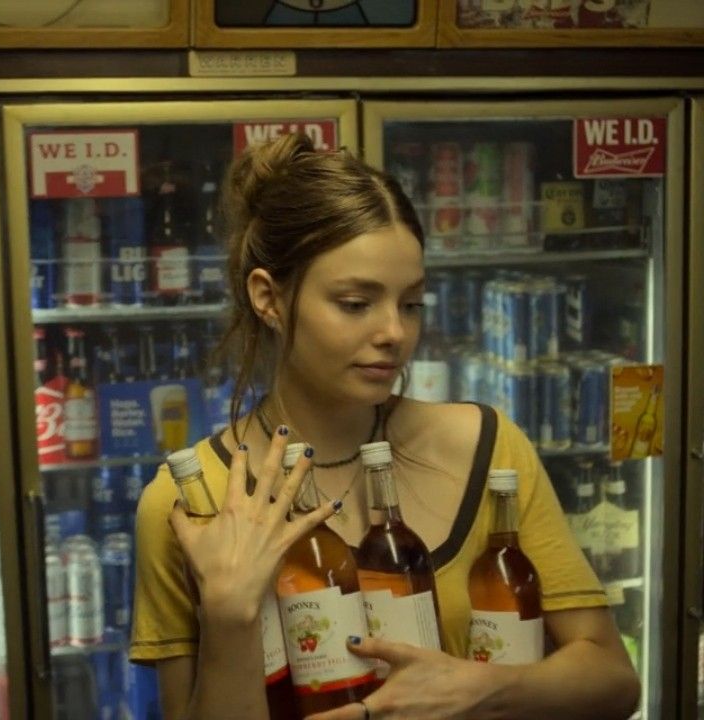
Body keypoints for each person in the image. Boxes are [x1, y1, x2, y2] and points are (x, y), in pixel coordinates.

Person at [130, 132, 641, 720]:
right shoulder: (190, 506)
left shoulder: (489, 447)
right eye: (355, 303)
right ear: (268, 298)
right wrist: (228, 612)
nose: (394, 332)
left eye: (411, 304)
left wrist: (481, 689)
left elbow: (613, 680)